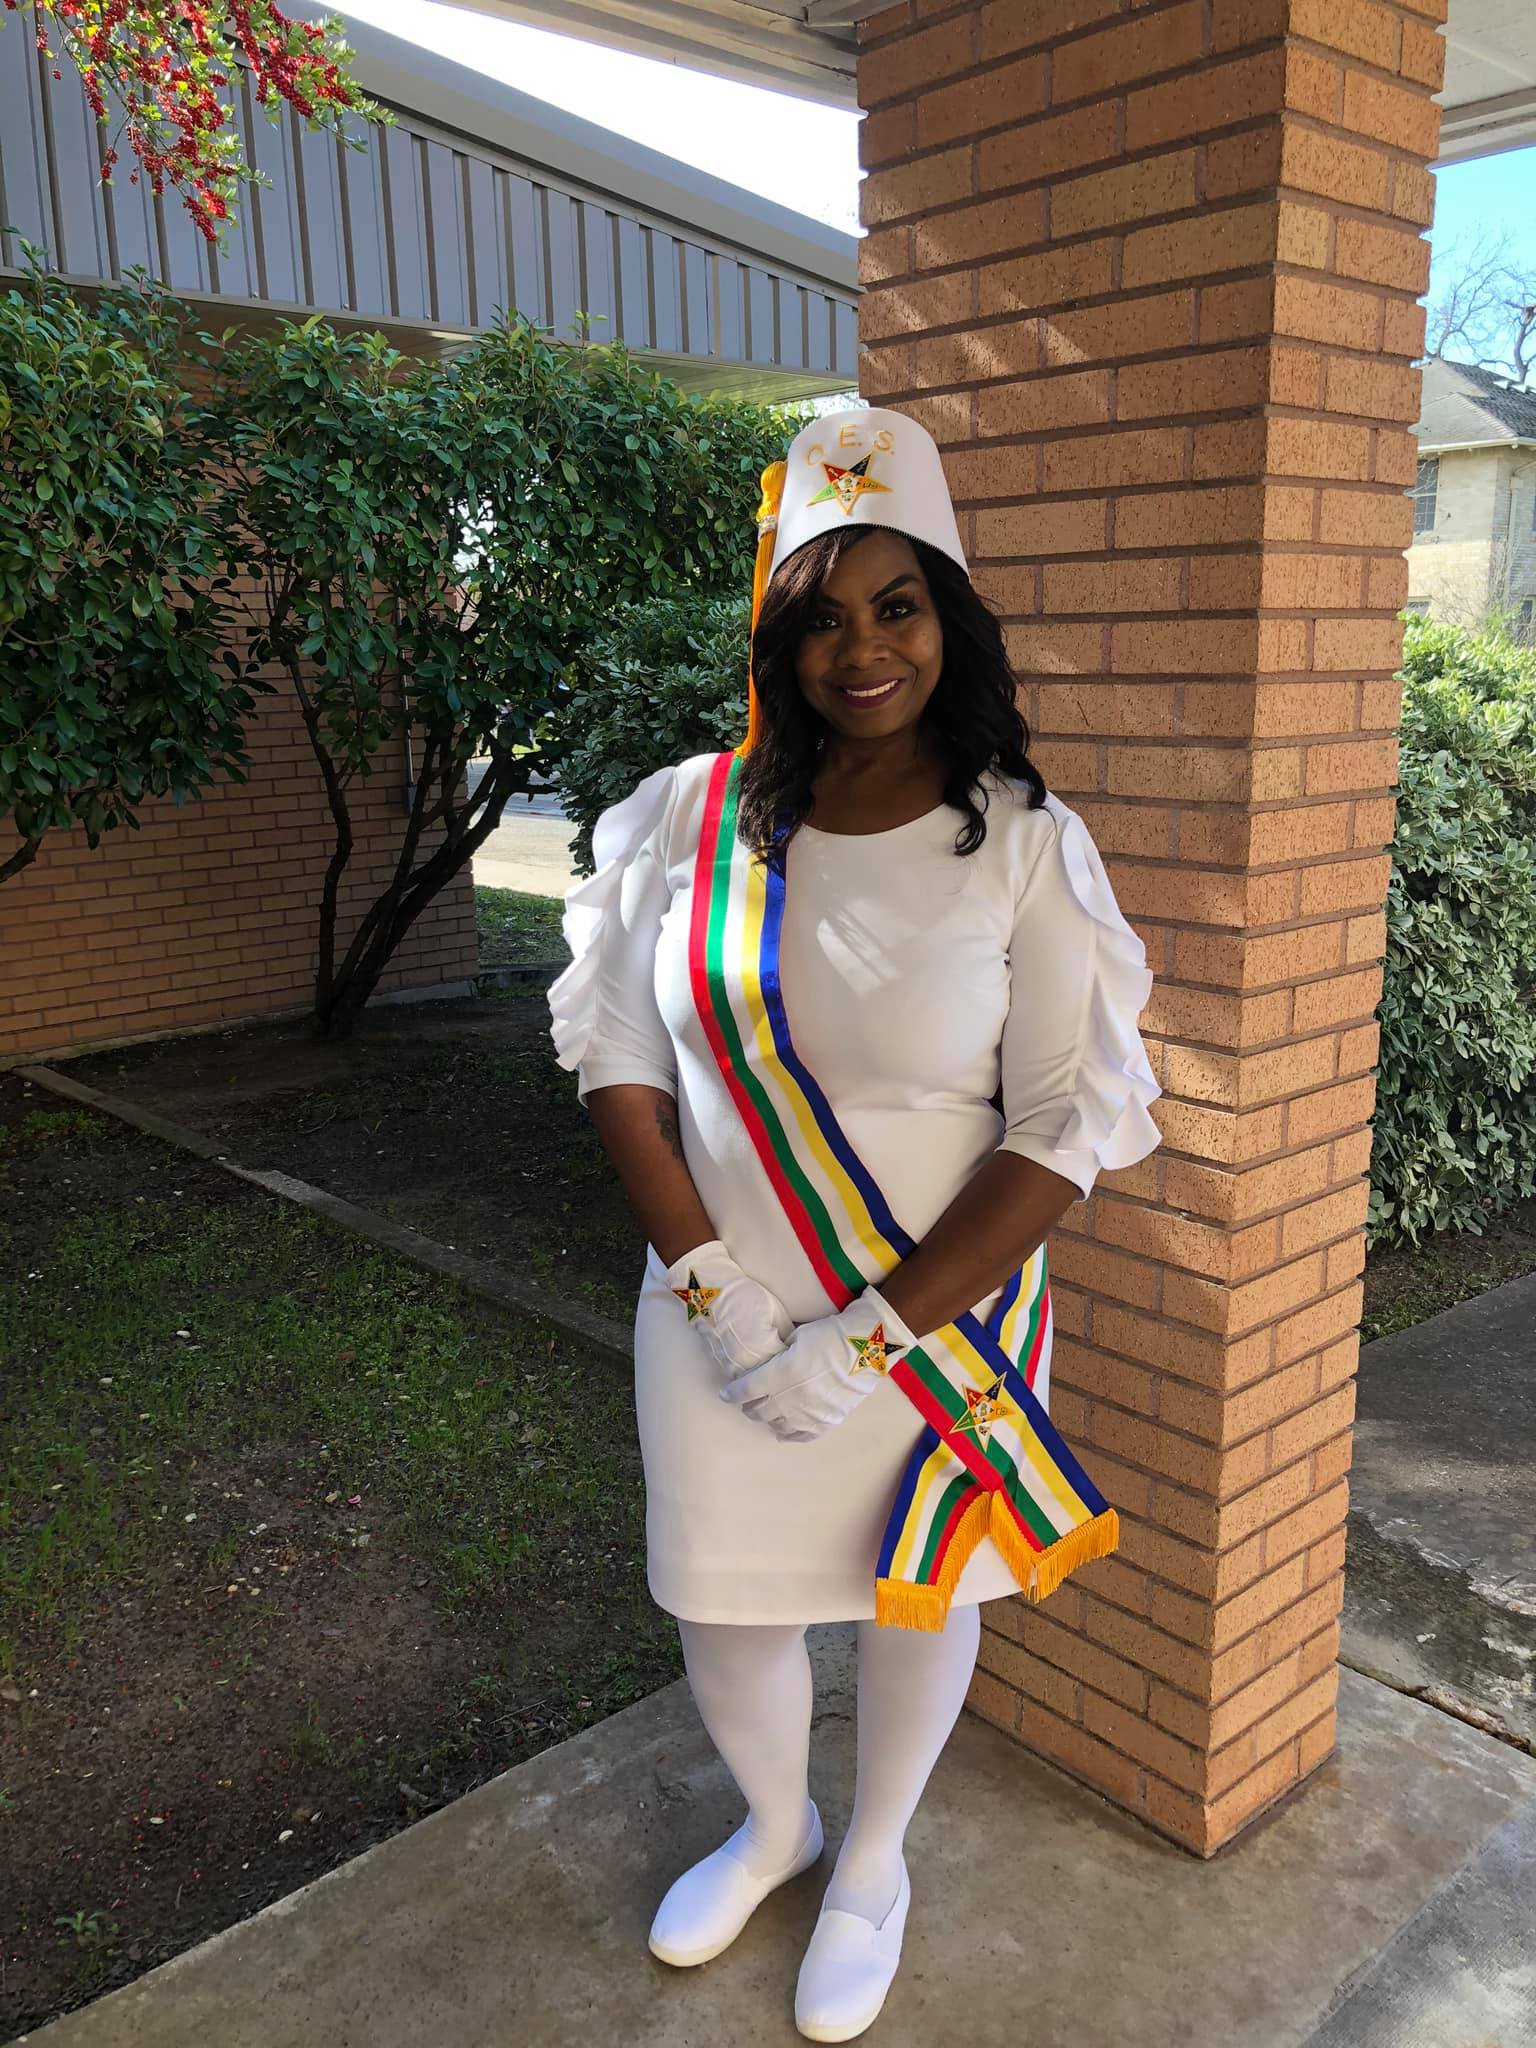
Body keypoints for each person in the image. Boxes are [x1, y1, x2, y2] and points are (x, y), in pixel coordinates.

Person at [547, 407, 1163, 2042]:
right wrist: (711, 1286)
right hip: (715, 1312)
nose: (861, 648)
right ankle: (776, 1828)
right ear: (779, 640)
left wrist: (867, 1337)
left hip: (932, 1323)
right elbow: (618, 1052)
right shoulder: (691, 814)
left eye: (898, 605)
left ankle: (874, 1860)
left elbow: (1065, 1124)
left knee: (916, 1595)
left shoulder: (1025, 845)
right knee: (724, 1598)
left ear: (950, 617)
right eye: (820, 616)